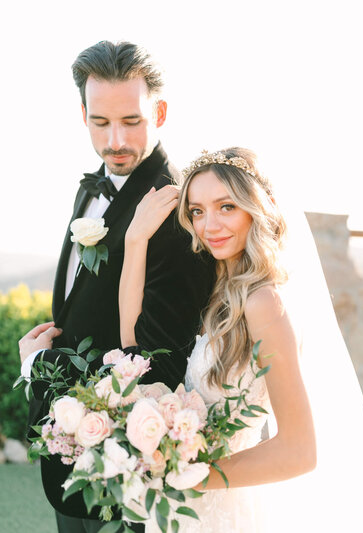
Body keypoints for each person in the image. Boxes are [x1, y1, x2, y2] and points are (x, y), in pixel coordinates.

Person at [120, 147, 363, 532]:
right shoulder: (217, 289)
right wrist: (135, 241)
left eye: (226, 207)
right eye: (197, 211)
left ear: (257, 208)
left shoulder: (264, 302)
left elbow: (300, 452)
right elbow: (135, 349)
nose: (209, 225)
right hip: (184, 507)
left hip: (226, 508)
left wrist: (188, 474)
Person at [18, 41, 215, 533]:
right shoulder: (90, 187)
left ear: (160, 112)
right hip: (67, 452)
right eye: (100, 123)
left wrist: (35, 363)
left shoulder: (178, 212)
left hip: (124, 473)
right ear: (82, 114)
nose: (115, 141)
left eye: (131, 121)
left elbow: (160, 364)